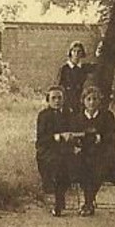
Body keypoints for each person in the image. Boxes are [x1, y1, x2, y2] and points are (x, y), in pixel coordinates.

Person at [75, 85, 115, 216]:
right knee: (82, 164)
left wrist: (100, 137)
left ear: (99, 101)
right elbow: (75, 136)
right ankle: (89, 202)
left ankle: (88, 202)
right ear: (83, 101)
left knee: (99, 165)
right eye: (89, 99)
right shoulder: (78, 117)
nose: (92, 102)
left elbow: (112, 136)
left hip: (103, 152)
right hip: (85, 152)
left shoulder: (107, 116)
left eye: (95, 99)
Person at [35, 85, 81, 217]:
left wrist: (72, 137)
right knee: (58, 163)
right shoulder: (43, 115)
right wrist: (56, 136)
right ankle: (58, 201)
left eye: (59, 98)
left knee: (69, 162)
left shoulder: (69, 113)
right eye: (53, 98)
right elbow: (41, 138)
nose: (57, 101)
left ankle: (60, 201)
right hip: (48, 150)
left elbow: (74, 131)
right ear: (48, 100)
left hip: (66, 150)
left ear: (64, 99)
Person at [55, 42, 95, 115]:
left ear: (82, 53)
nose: (76, 53)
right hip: (68, 100)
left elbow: (99, 67)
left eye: (79, 51)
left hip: (80, 99)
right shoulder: (64, 69)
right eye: (74, 51)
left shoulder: (84, 68)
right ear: (70, 53)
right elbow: (59, 87)